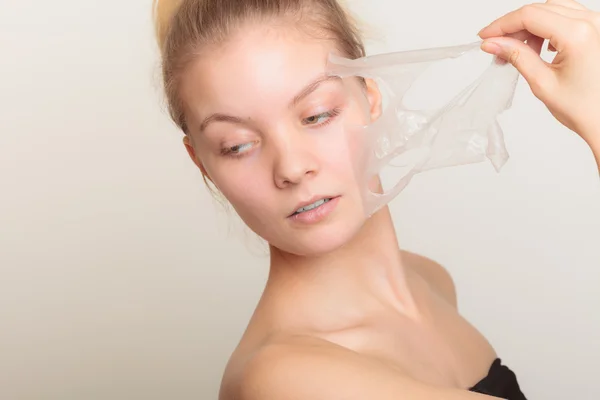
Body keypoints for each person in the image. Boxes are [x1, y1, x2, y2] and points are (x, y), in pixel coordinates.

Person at [151, 0, 600, 398]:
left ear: (369, 95)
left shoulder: (431, 281)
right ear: (201, 162)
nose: (290, 168)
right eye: (237, 145)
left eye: (317, 115)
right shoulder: (285, 379)